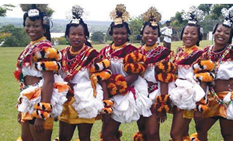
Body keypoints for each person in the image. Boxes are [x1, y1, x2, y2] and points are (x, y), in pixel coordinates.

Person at [14, 4, 68, 141]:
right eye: (28, 25)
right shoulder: (31, 46)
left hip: (41, 101)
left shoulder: (45, 49)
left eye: (36, 25)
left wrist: (41, 114)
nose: (31, 29)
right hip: (29, 100)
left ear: (44, 28)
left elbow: (49, 81)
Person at [192, 5, 233, 141]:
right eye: (219, 31)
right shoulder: (205, 52)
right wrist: (200, 102)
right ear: (214, 32)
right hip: (210, 98)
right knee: (200, 128)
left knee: (227, 134)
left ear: (230, 36)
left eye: (226, 33)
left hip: (229, 98)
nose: (222, 34)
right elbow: (201, 76)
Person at [58, 5, 111, 141]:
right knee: (64, 137)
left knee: (84, 137)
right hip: (65, 99)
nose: (76, 37)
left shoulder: (92, 54)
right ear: (67, 35)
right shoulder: (61, 54)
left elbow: (102, 78)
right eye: (73, 34)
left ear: (85, 36)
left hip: (85, 101)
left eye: (80, 34)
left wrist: (105, 102)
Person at [99, 4, 152, 141]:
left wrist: (117, 88)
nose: (119, 36)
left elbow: (134, 74)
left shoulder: (133, 51)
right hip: (110, 91)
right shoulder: (105, 51)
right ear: (111, 33)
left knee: (144, 129)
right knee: (107, 133)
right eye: (116, 33)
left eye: (123, 33)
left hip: (133, 88)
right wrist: (108, 92)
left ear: (128, 34)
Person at [168, 6, 209, 141]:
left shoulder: (201, 53)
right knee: (182, 134)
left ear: (198, 36)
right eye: (186, 33)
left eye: (193, 33)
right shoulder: (180, 51)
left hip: (190, 97)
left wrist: (199, 104)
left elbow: (204, 79)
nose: (188, 36)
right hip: (177, 93)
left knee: (175, 134)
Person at [134, 7, 175, 141]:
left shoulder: (163, 52)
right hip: (139, 95)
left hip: (154, 95)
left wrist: (162, 103)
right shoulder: (136, 52)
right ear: (142, 33)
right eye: (147, 33)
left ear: (158, 35)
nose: (150, 36)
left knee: (152, 133)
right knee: (142, 130)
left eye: (153, 33)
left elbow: (164, 78)